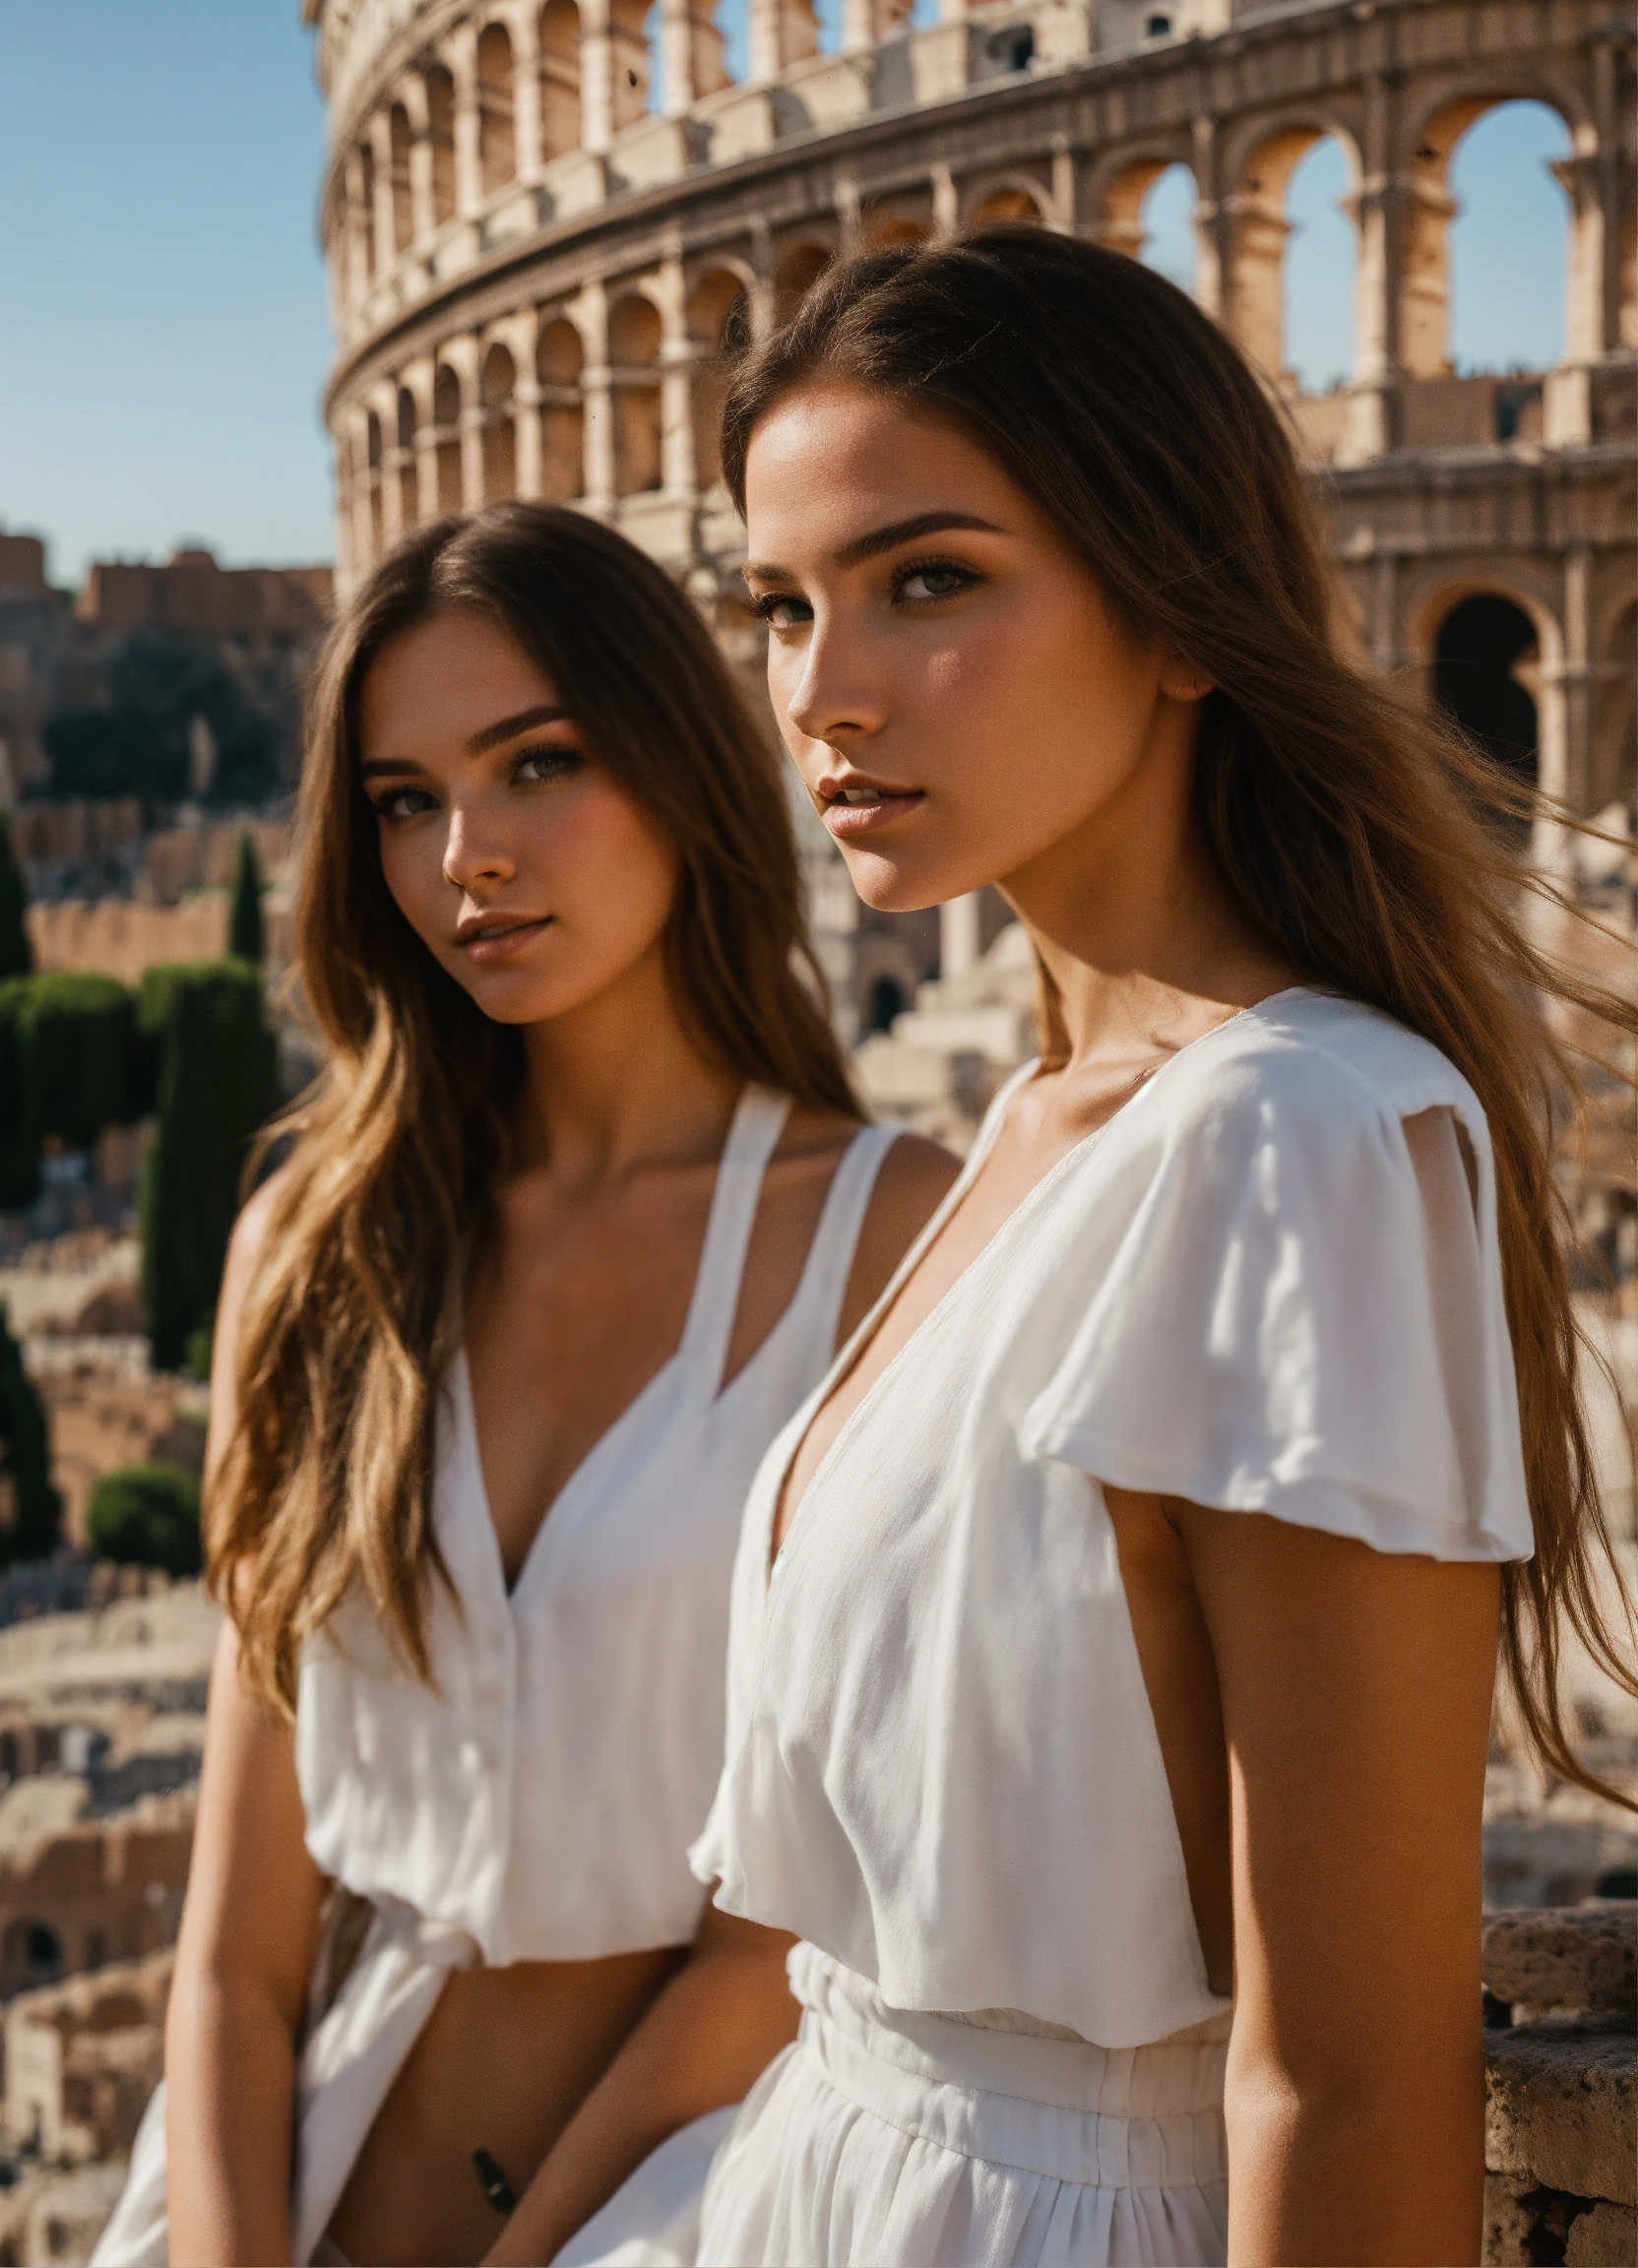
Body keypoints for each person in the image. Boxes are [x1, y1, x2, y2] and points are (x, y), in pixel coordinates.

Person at [486, 232, 1638, 2268]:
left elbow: (1348, 2074)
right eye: (783, 606)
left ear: (1179, 608)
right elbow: (817, 1937)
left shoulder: (1302, 1142)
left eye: (929, 581)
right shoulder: (1024, 1129)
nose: (823, 691)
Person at [92, 503, 956, 2268]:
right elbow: (242, 1952)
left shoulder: (902, 1243)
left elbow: (784, 1938)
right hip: (286, 2198)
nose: (464, 856)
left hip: (688, 2224)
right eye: (406, 801)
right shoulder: (315, 1247)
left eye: (538, 763)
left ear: (678, 767)